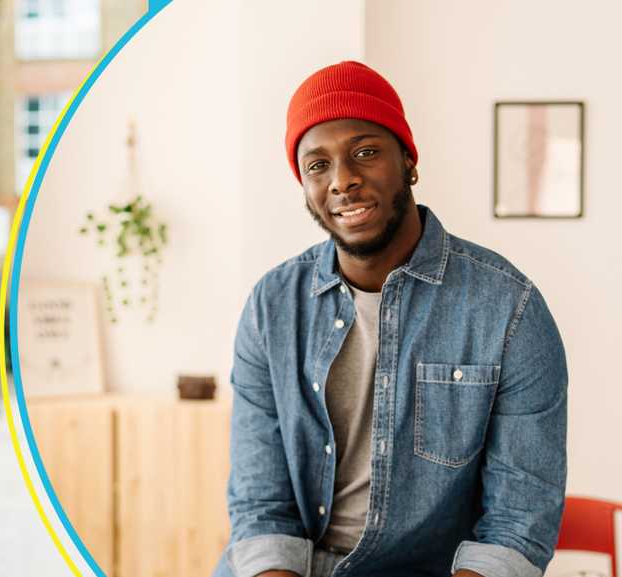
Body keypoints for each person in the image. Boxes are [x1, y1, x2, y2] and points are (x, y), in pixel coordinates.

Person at [214, 61, 567, 577]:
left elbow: (517, 526)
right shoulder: (272, 307)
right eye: (317, 165)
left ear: (408, 161)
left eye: (365, 152)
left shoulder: (509, 310)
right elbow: (260, 505)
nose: (343, 181)